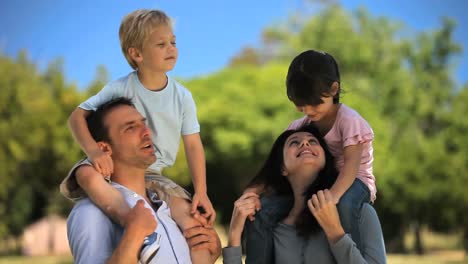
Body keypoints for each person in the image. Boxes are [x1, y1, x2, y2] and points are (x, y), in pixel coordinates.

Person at [61, 9, 215, 263]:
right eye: (161, 44)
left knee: (194, 223)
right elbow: (76, 117)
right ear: (136, 54)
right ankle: (134, 224)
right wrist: (94, 151)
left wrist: (201, 190)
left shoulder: (182, 96)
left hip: (156, 177)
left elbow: (194, 146)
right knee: (85, 172)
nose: (171, 49)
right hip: (114, 166)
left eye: (173, 42)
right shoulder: (119, 89)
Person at [66, 97, 221, 264]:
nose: (147, 132)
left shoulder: (168, 209)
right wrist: (134, 235)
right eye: (131, 128)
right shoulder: (91, 213)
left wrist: (212, 253)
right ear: (104, 148)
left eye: (143, 123)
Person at [223, 124, 386, 263]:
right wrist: (234, 234)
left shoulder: (361, 214)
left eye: (313, 141)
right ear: (282, 168)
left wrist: (335, 233)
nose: (305, 144)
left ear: (325, 160)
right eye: (294, 142)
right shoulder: (271, 226)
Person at [285, 49, 376, 251]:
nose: (308, 111)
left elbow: (351, 167)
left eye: (314, 104)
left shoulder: (350, 121)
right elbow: (277, 159)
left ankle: (354, 255)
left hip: (356, 181)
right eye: (301, 107)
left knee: (343, 204)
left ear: (334, 89)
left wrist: (333, 196)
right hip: (326, 180)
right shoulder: (301, 125)